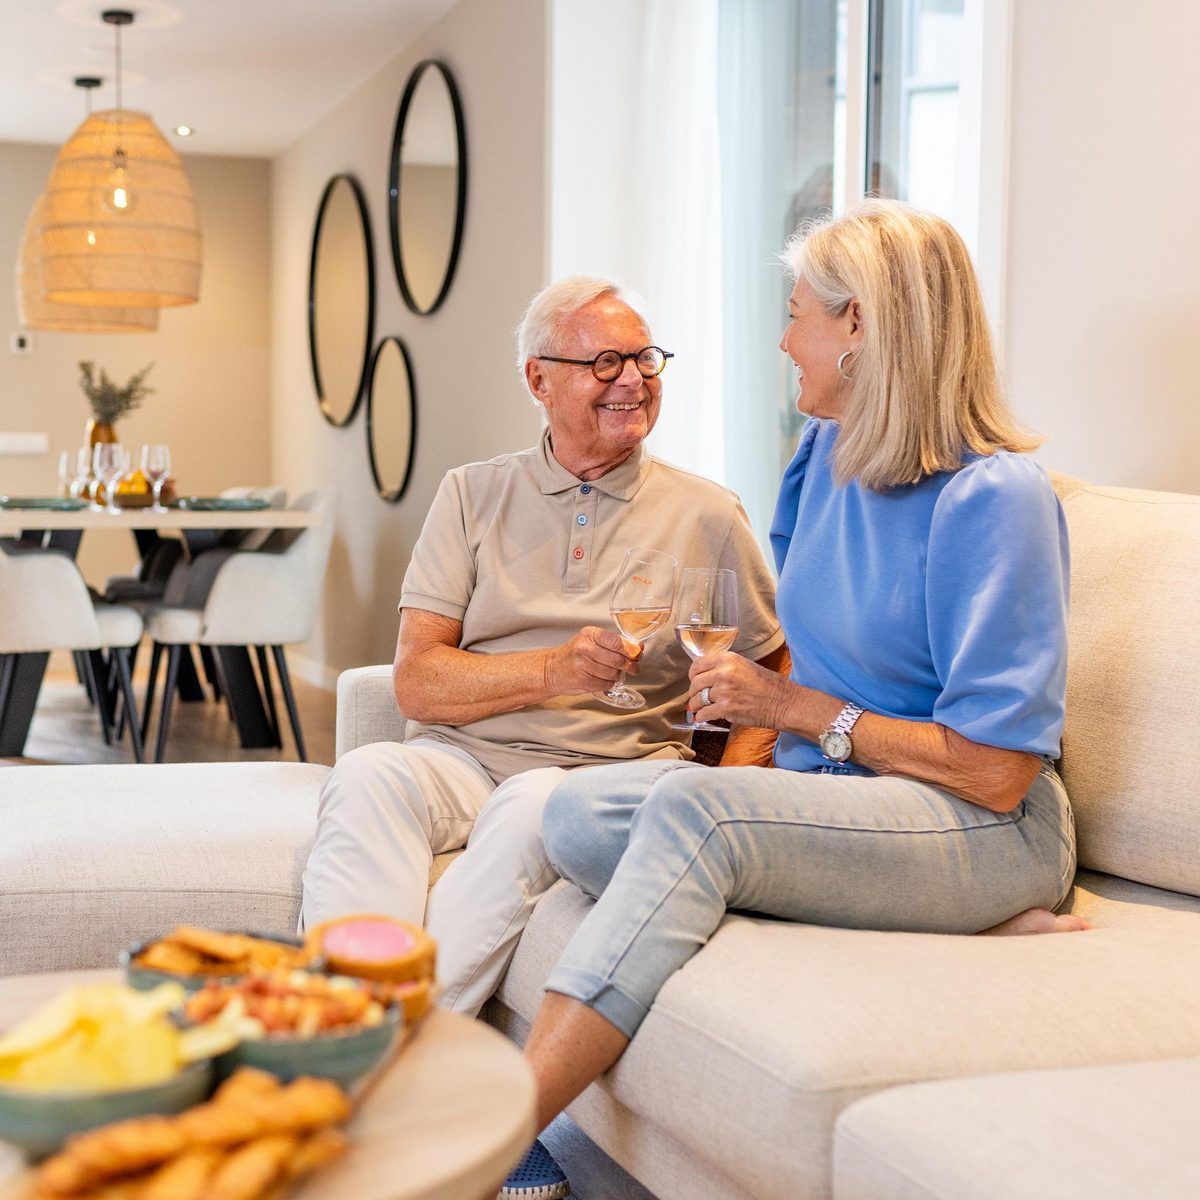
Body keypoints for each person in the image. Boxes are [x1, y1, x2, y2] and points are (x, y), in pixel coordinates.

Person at [511, 200, 1092, 1169]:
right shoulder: (823, 457)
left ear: (859, 324)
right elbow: (791, 656)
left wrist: (789, 714)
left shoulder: (996, 501)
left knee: (699, 822)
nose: (784, 341)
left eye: (798, 314)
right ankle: (923, 911)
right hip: (836, 798)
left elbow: (997, 774)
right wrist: (755, 727)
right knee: (574, 813)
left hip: (983, 822)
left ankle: (494, 1134)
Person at [299, 276, 785, 1029]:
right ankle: (332, 1016)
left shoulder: (708, 513)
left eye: (646, 360)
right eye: (606, 363)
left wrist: (736, 789)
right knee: (369, 772)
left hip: (608, 773)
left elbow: (771, 665)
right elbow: (417, 684)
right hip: (461, 761)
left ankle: (389, 1043)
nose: (633, 379)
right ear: (540, 379)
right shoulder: (472, 494)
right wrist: (553, 670)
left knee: (535, 803)